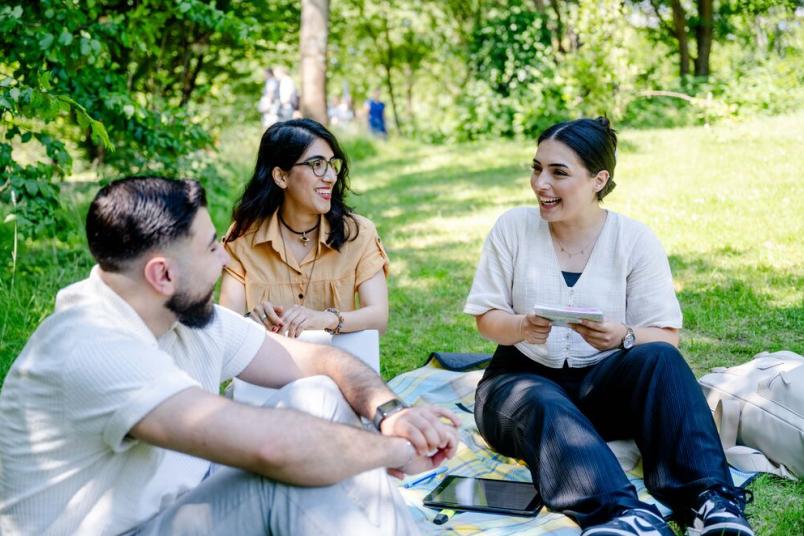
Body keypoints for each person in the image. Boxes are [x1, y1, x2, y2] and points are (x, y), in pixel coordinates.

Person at [0, 176, 459, 535]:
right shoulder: (93, 346)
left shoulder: (179, 314)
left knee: (318, 395)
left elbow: (326, 362)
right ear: (162, 274)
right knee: (284, 482)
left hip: (178, 502)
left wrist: (390, 414)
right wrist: (393, 450)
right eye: (212, 247)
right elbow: (272, 447)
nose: (224, 261)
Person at [465, 118, 754, 536]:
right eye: (536, 168)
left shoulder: (635, 240)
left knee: (659, 357)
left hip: (602, 386)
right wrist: (521, 327)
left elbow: (666, 336)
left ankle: (708, 499)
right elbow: (486, 318)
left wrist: (624, 336)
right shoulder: (512, 228)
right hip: (519, 383)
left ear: (599, 179)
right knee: (543, 398)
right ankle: (619, 514)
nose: (540, 183)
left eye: (558, 172)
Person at [220, 118, 389, 338]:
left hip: (340, 367)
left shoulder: (358, 233)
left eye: (331, 164)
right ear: (281, 176)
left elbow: (378, 319)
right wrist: (250, 321)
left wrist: (327, 319)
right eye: (317, 165)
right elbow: (225, 329)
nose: (330, 177)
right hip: (270, 369)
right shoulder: (242, 238)